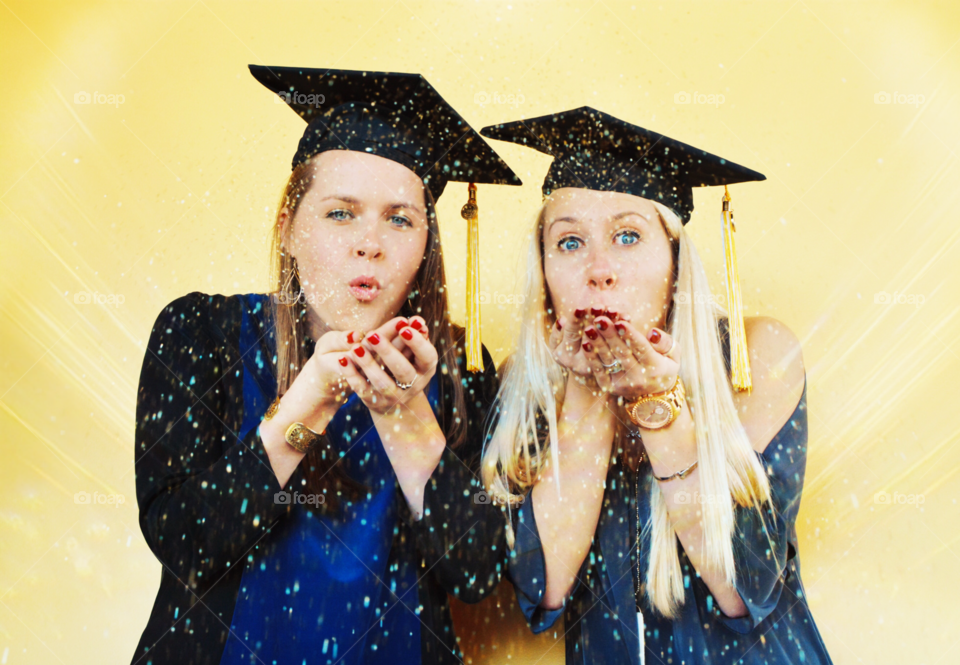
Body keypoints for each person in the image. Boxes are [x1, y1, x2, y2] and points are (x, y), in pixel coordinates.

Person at [131, 65, 521, 665]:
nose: (371, 242)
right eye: (341, 213)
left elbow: (472, 572)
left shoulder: (459, 371)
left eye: (400, 218)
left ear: (424, 247)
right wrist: (308, 401)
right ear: (288, 227)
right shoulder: (199, 334)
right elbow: (186, 545)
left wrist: (404, 412)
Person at [480, 107, 833, 664]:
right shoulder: (524, 386)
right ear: (544, 270)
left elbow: (743, 589)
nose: (598, 268)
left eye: (627, 236)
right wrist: (588, 394)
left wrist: (657, 408)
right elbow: (543, 592)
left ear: (674, 261)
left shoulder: (753, 357)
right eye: (569, 242)